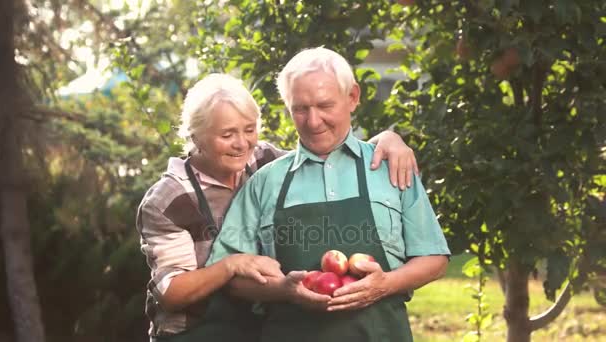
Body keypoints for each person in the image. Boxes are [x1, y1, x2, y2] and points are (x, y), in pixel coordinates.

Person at [136, 73, 419, 341]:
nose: (241, 144)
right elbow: (170, 293)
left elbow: (330, 162)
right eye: (227, 135)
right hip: (195, 332)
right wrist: (233, 264)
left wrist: (385, 141)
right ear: (195, 137)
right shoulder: (169, 199)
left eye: (249, 130)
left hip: (256, 326)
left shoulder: (265, 161)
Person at [207, 47, 451, 342]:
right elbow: (231, 277)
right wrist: (284, 290)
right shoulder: (265, 182)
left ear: (352, 97)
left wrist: (384, 284)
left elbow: (434, 258)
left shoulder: (391, 167)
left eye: (325, 105)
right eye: (300, 109)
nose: (313, 121)